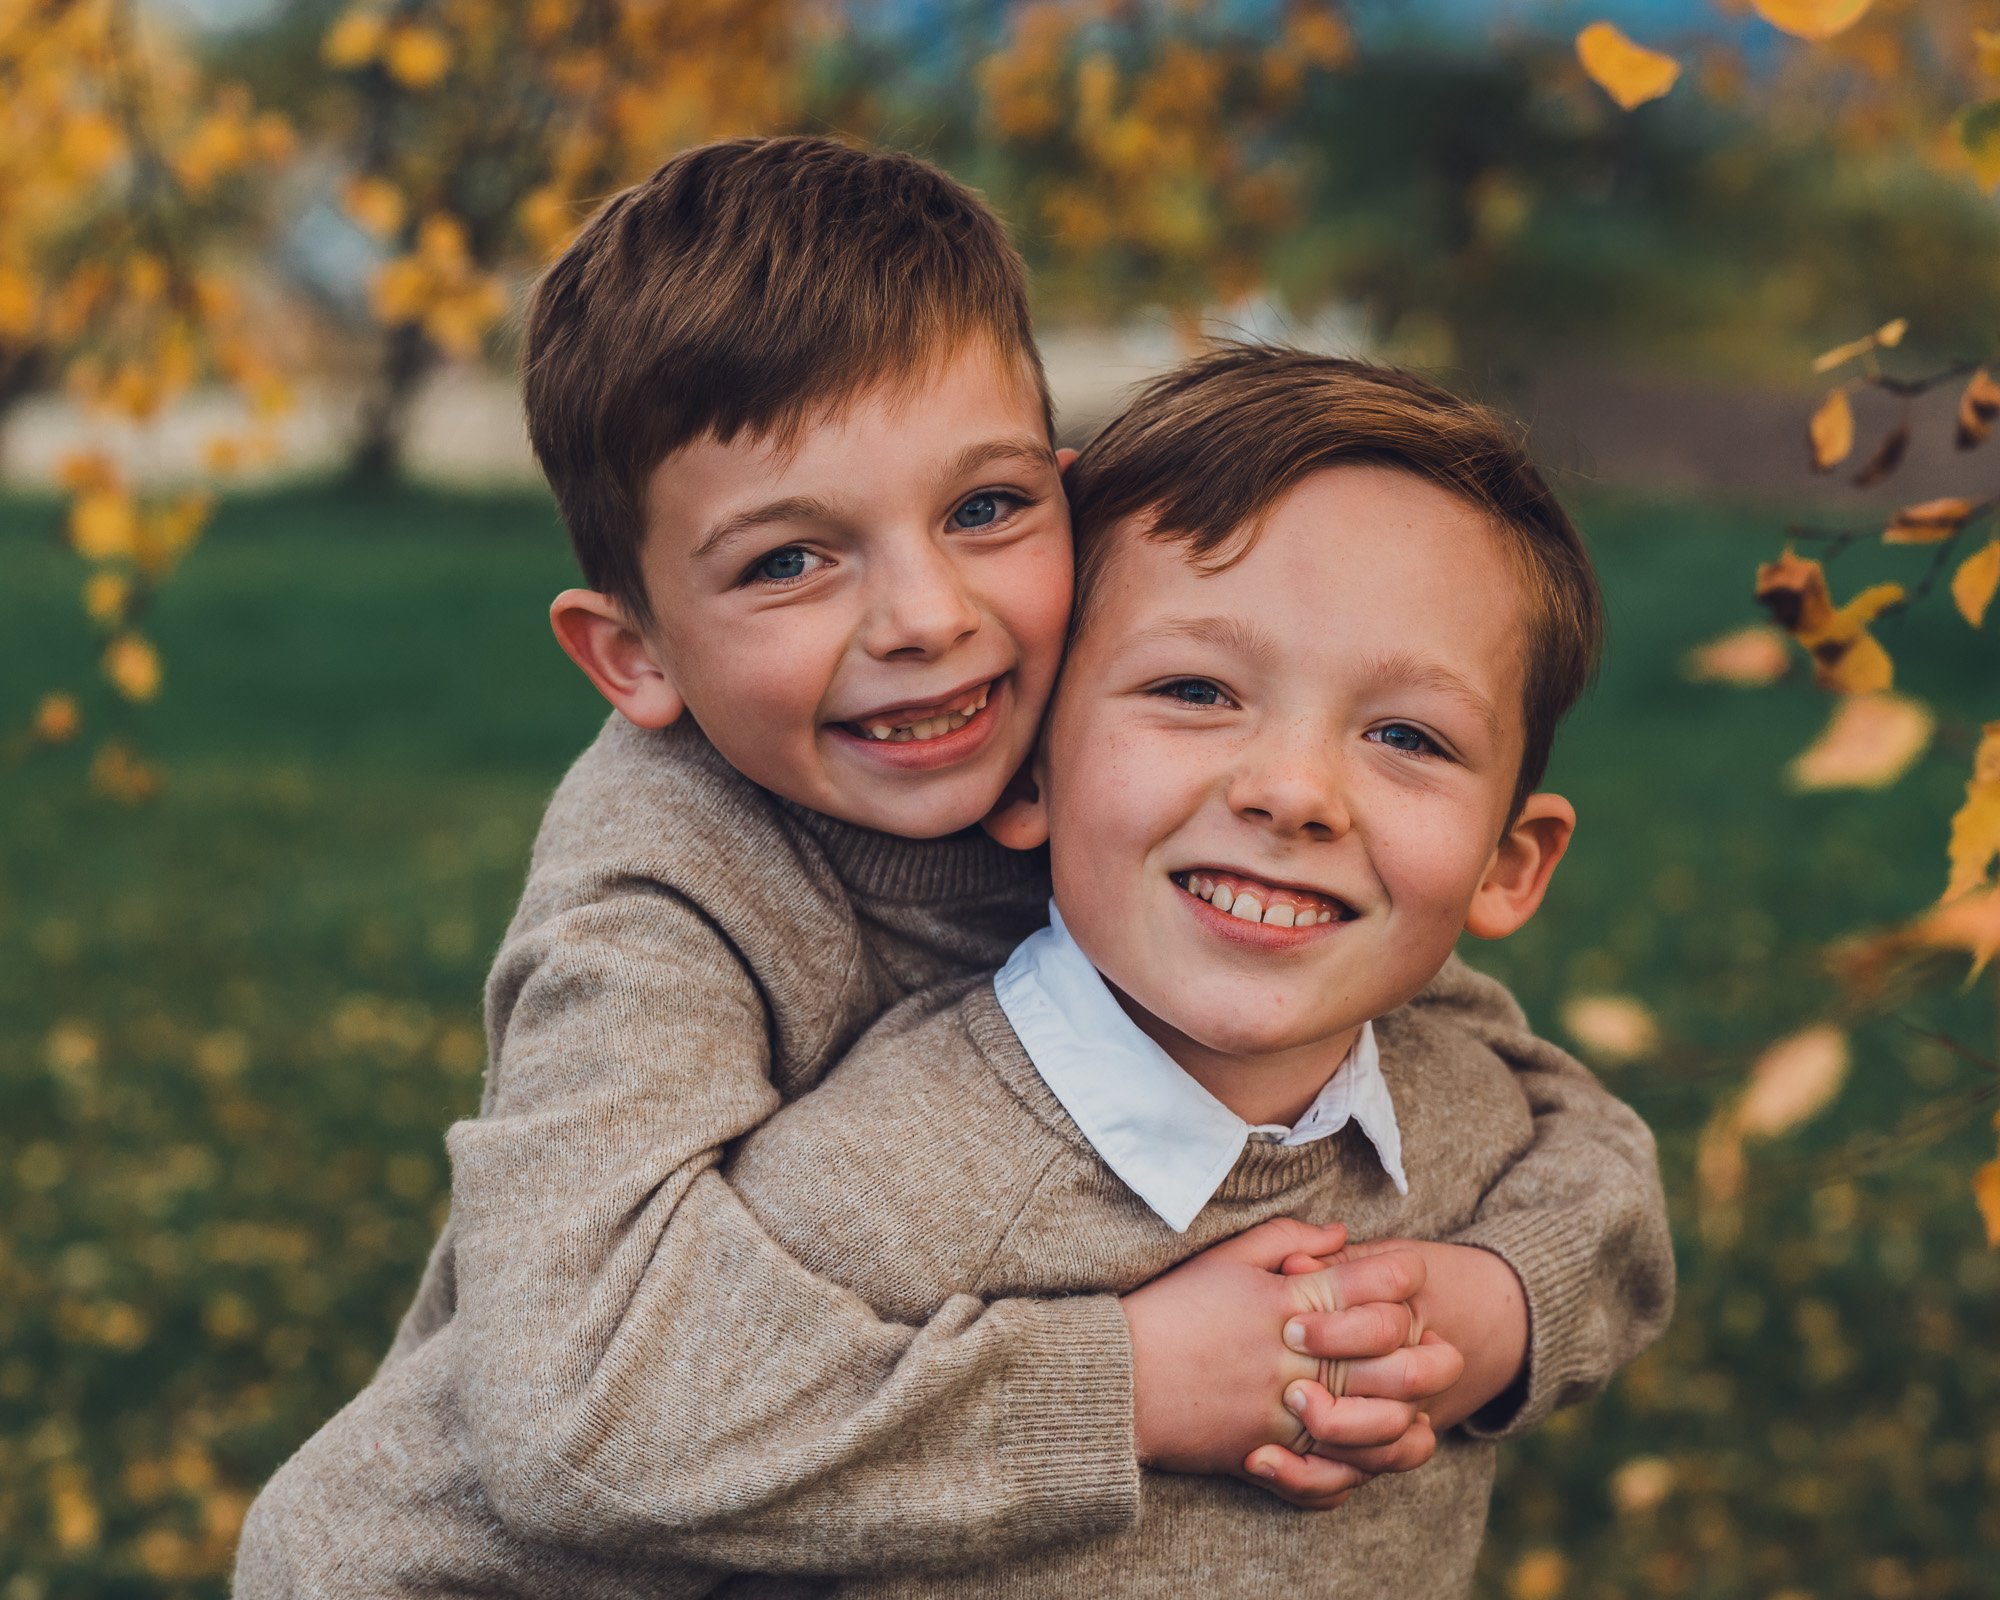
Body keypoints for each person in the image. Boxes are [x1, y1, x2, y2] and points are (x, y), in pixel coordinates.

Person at [232, 140, 1670, 1596]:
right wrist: (1128, 1384)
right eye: (789, 561)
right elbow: (571, 1404)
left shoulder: (1137, 755)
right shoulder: (659, 902)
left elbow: (1507, 1082)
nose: (929, 616)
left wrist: (1492, 1309)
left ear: (1062, 496)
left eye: (983, 510)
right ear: (635, 654)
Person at [700, 343, 1673, 1596]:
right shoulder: (871, 1189)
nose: (1290, 791)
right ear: (1029, 768)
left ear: (1508, 861)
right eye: (1195, 689)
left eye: (1404, 735)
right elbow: (604, 1489)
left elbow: (1615, 1217)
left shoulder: (1474, 1114)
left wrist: (1503, 1307)